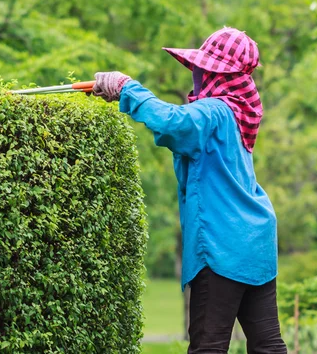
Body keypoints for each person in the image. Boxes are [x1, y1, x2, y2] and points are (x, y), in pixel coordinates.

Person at [93, 27, 287, 354]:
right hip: (256, 241)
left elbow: (171, 122)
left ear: (215, 73)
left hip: (221, 246)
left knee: (207, 347)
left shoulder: (214, 113)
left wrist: (127, 87)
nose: (196, 75)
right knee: (268, 346)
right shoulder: (236, 115)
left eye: (202, 69)